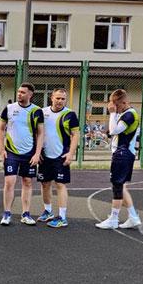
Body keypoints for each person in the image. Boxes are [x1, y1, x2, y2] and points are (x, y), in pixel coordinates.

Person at [0, 83, 44, 226]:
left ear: (30, 94)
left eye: (23, 92)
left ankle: (26, 213)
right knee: (9, 182)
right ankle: (7, 213)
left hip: (29, 153)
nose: (19, 94)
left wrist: (37, 154)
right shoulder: (9, 109)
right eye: (18, 91)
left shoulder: (37, 111)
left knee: (27, 182)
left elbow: (41, 133)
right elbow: (1, 129)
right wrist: (1, 149)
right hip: (11, 152)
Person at [96, 89, 142, 230]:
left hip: (123, 154)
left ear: (124, 102)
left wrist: (112, 113)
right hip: (123, 153)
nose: (115, 107)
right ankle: (133, 217)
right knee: (121, 186)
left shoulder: (129, 115)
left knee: (117, 186)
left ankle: (114, 219)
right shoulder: (125, 113)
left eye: (116, 105)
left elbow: (113, 130)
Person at [37, 87, 79, 228]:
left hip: (61, 155)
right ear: (52, 98)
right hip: (45, 155)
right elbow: (37, 133)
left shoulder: (70, 115)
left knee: (60, 184)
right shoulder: (42, 112)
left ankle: (62, 217)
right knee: (45, 184)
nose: (60, 101)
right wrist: (37, 152)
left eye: (63, 99)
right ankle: (48, 211)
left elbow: (75, 135)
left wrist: (71, 153)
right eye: (57, 98)